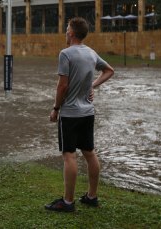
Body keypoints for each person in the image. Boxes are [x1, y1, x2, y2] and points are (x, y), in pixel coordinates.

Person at [45, 17, 114, 212]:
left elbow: (62, 85)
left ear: (72, 33)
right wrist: (92, 85)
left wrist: (56, 108)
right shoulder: (91, 53)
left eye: (67, 29)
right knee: (89, 153)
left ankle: (67, 202)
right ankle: (92, 196)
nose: (66, 33)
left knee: (69, 156)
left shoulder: (65, 54)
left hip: (69, 114)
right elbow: (109, 71)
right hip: (88, 112)